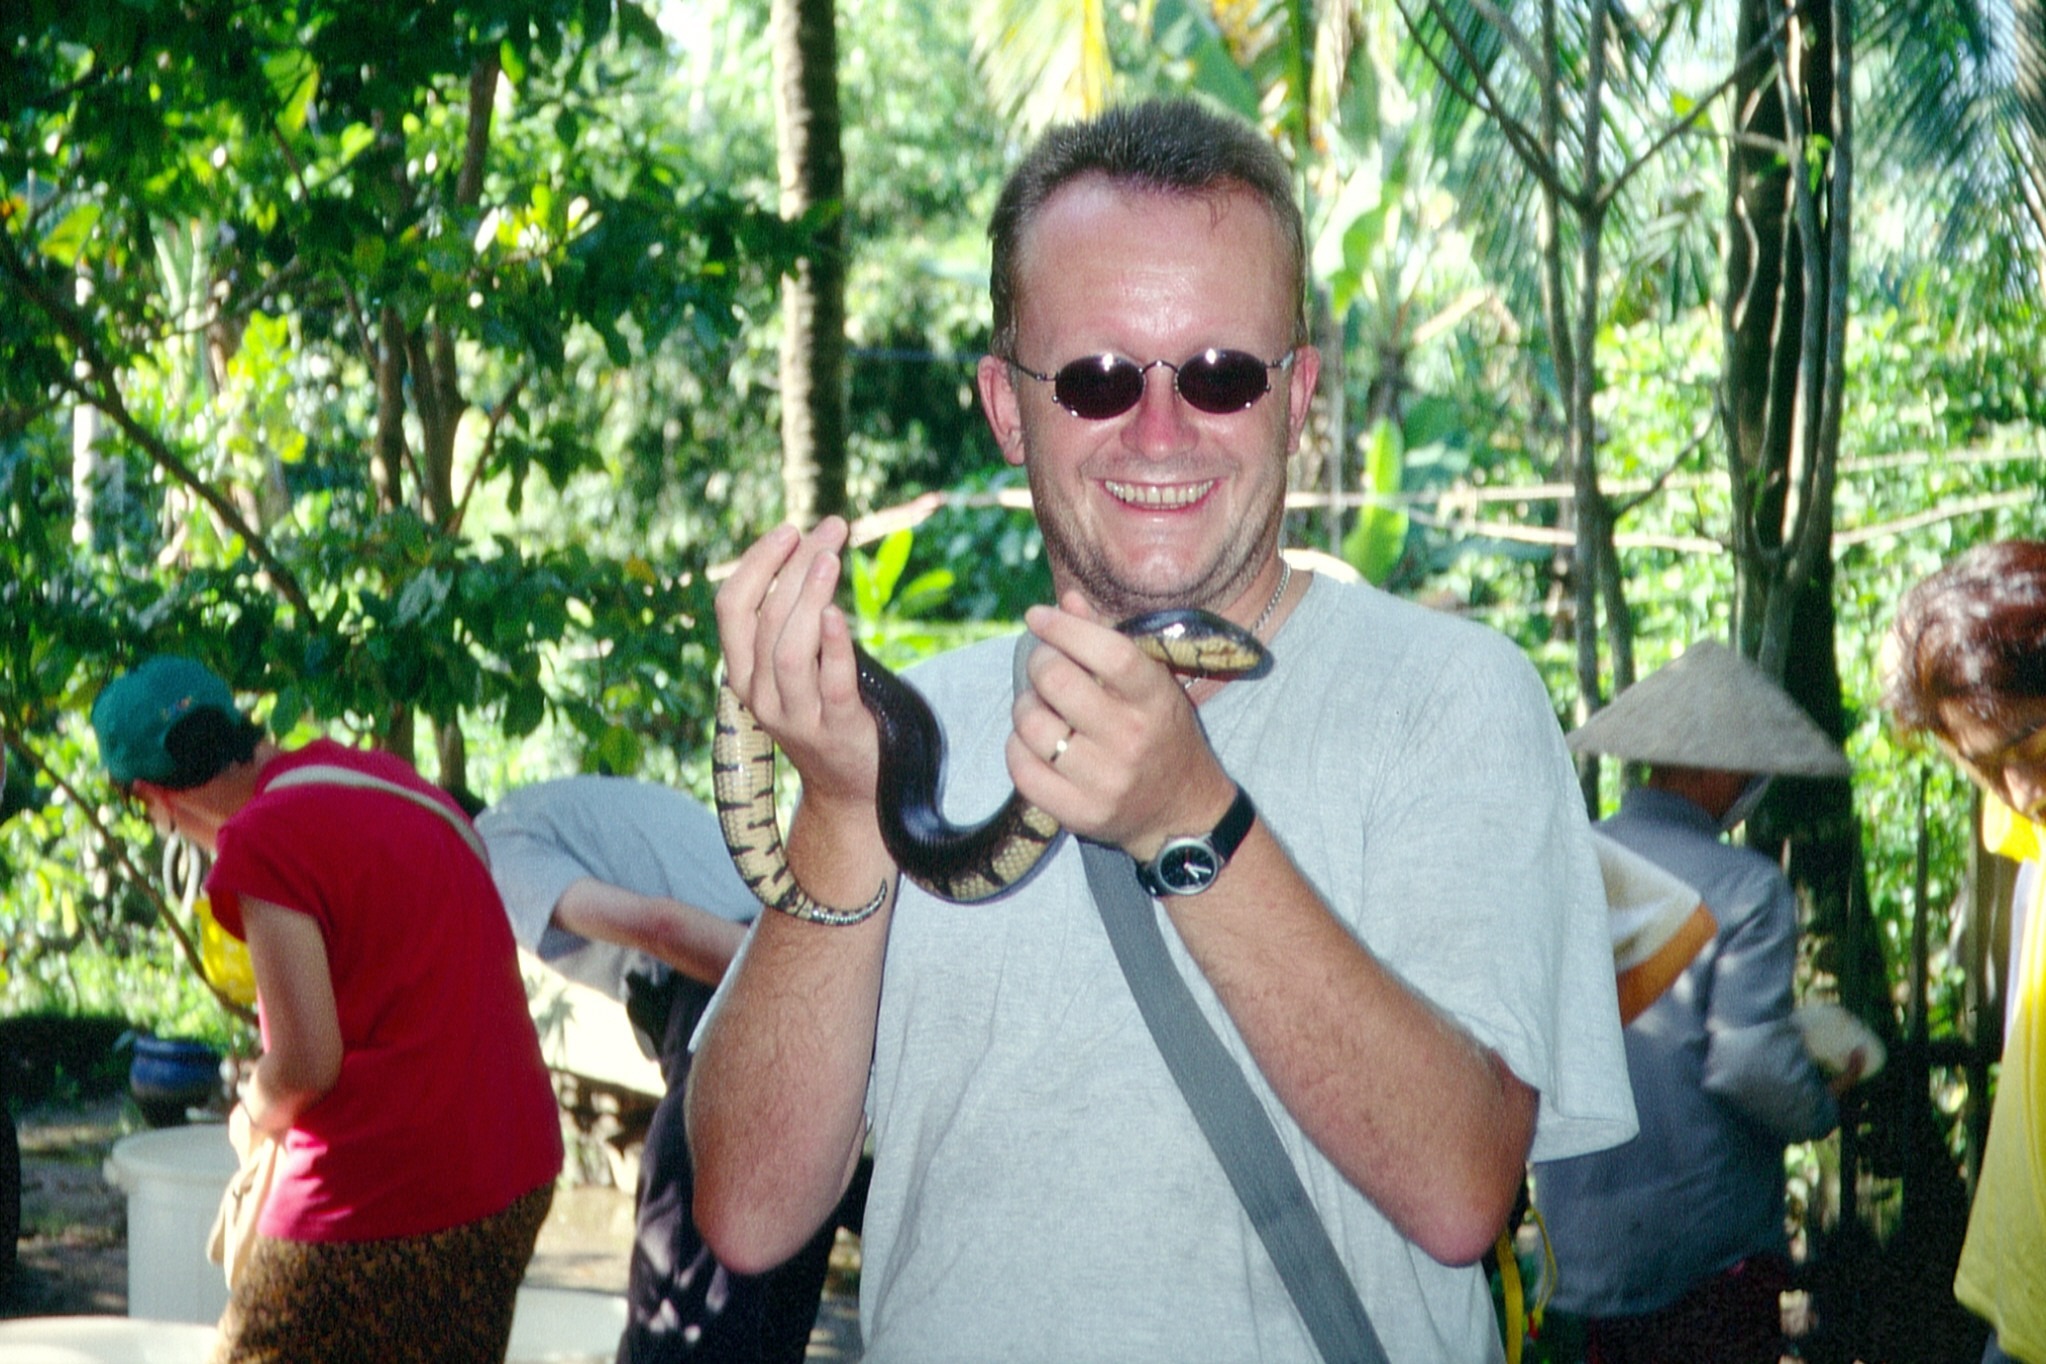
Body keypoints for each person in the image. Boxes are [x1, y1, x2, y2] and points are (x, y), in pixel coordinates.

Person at [688, 97, 1636, 1362]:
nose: (1160, 429)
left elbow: (1466, 1190)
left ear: (1297, 397)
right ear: (1006, 407)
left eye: (1221, 373)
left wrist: (1190, 816)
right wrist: (843, 808)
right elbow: (748, 1212)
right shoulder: (904, 735)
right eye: (1096, 379)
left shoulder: (1456, 701)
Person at [89, 655, 562, 1364]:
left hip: (387, 1187)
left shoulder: (264, 837)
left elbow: (307, 1063)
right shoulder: (386, 778)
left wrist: (252, 1113)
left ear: (152, 798)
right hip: (513, 1170)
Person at [1532, 640, 1858, 1364]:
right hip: (1705, 1253)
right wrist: (1819, 1102)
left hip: (1576, 1242)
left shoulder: (1567, 862)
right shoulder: (1745, 887)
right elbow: (1749, 1064)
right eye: (1749, 770)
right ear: (1717, 769)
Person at [474, 775, 867, 1363]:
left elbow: (662, 927)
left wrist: (795, 981)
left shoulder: (492, 848)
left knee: (684, 1300)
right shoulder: (553, 807)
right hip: (778, 950)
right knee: (771, 1297)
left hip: (736, 973)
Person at [1883, 540, 2046, 1364]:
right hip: (2020, 1295)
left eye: (2033, 748)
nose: (2022, 792)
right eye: (1987, 767)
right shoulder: (2029, 822)